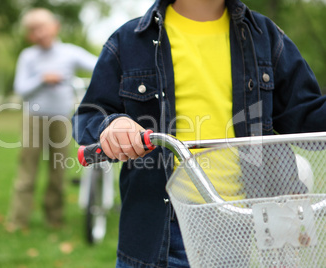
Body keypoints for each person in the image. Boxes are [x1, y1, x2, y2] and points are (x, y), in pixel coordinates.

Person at [72, 0, 326, 267]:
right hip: (162, 231)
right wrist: (111, 126)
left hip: (244, 225)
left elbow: (307, 116)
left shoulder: (265, 36)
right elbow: (88, 116)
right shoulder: (128, 41)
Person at [7, 8, 97, 231]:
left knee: (58, 170)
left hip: (61, 120)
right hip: (34, 119)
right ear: (29, 35)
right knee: (27, 172)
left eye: (43, 27)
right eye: (33, 30)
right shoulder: (28, 56)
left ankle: (55, 218)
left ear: (55, 26)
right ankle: (18, 221)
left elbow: (99, 65)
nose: (40, 33)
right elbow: (21, 89)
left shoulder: (70, 53)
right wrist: (42, 78)